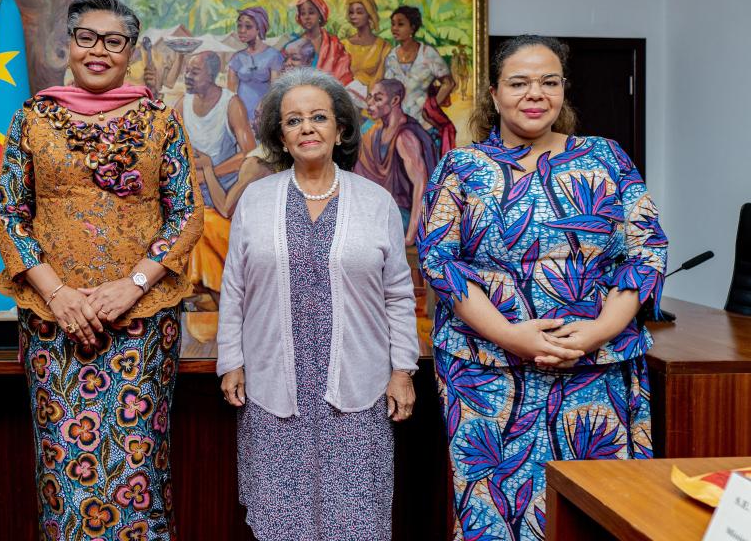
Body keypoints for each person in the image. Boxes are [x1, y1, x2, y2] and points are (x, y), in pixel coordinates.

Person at [417, 35, 668, 541]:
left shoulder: (606, 157)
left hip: (595, 371)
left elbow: (645, 252)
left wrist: (597, 332)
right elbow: (439, 260)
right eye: (519, 82)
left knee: (602, 512)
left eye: (548, 82)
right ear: (494, 93)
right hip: (488, 375)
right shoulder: (461, 166)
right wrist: (514, 337)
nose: (535, 93)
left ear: (562, 90)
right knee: (495, 516)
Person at [0, 0, 203, 540]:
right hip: (52, 320)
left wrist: (132, 285)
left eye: (114, 41)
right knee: (63, 463)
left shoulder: (160, 121)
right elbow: (9, 212)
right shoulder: (33, 118)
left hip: (141, 320)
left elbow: (186, 214)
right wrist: (58, 294)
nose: (98, 51)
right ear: (69, 44)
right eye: (87, 38)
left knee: (139, 461)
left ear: (131, 50)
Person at [217, 67, 420, 540]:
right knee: (280, 515)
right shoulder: (256, 200)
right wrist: (232, 362)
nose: (307, 127)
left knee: (355, 518)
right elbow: (234, 289)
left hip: (358, 390)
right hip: (273, 389)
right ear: (281, 136)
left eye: (318, 117)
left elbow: (397, 292)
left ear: (340, 129)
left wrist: (402, 371)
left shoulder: (376, 201)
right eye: (294, 120)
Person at [176, 50, 256, 297]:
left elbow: (249, 153)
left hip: (224, 195)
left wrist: (209, 173)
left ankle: (214, 293)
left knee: (204, 225)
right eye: (187, 71)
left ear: (212, 75)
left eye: (194, 72)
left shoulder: (231, 104)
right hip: (191, 193)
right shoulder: (182, 104)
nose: (187, 76)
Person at [356, 78, 439, 243]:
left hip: (404, 216)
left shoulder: (405, 136)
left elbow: (421, 185)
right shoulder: (376, 133)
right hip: (385, 210)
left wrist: (410, 235)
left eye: (377, 99)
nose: (369, 104)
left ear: (395, 100)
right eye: (370, 97)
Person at [384, 5, 458, 154]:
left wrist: (431, 107)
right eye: (393, 24)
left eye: (400, 24)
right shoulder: (392, 56)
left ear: (413, 27)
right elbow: (388, 88)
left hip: (424, 124)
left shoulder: (427, 53)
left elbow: (448, 83)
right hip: (399, 126)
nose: (395, 28)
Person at [227, 6, 284, 128]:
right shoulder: (237, 58)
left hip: (264, 113)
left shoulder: (274, 55)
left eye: (248, 26)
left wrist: (262, 110)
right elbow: (230, 92)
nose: (242, 30)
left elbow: (275, 89)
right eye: (239, 26)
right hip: (240, 115)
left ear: (259, 28)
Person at [293, 0, 354, 85]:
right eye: (303, 13)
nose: (307, 17)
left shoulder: (333, 44)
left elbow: (343, 73)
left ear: (320, 15)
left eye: (311, 12)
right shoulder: (294, 42)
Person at [342, 0, 393, 89]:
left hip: (374, 99)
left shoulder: (383, 46)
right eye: (351, 12)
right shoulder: (343, 45)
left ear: (369, 14)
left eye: (359, 12)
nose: (353, 16)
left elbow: (381, 78)